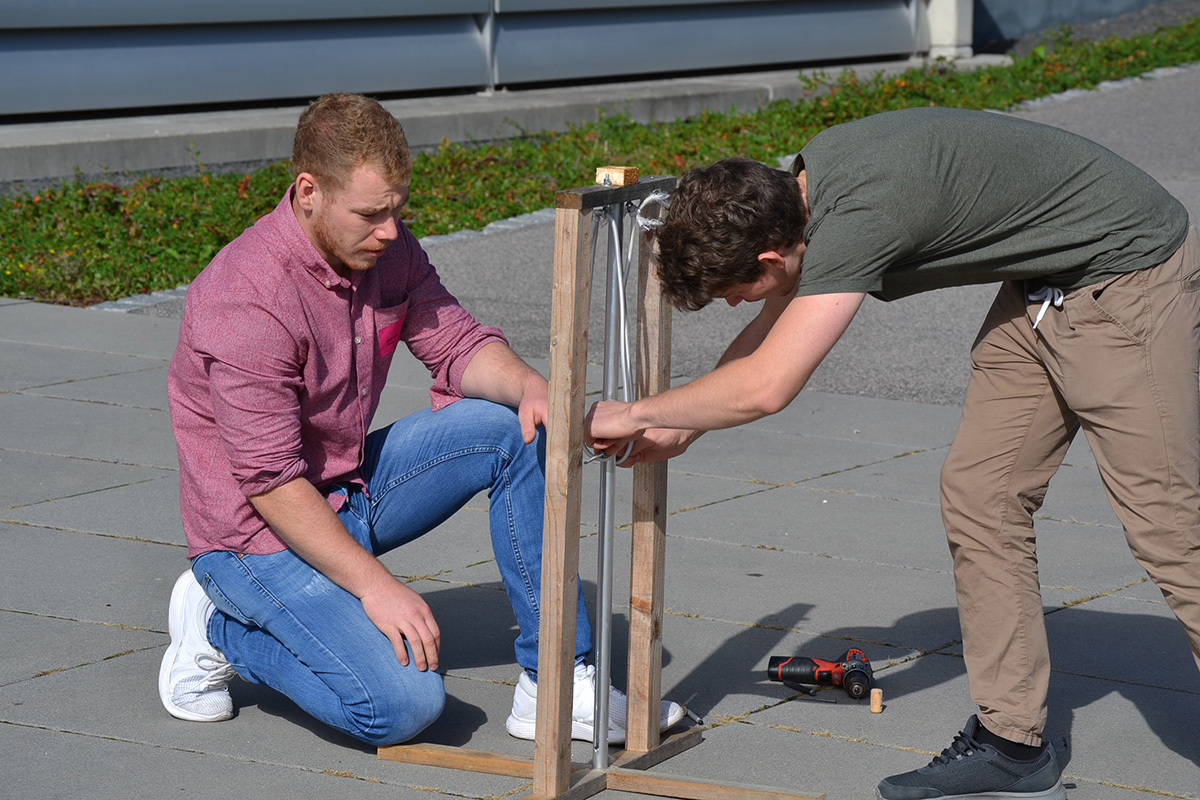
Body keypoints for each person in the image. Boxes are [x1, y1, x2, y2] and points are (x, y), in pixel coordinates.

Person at [584, 106, 1200, 799]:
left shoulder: (859, 218)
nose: (732, 307)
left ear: (769, 256)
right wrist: (684, 425)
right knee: (981, 496)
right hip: (1046, 283)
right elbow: (773, 320)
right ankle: (1013, 744)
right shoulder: (804, 191)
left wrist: (638, 411)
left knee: (1170, 530)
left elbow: (769, 385)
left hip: (1128, 275)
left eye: (732, 292)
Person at [159, 93, 683, 747]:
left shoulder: (384, 249)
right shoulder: (247, 299)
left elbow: (457, 343)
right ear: (308, 191)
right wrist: (378, 588)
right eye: (372, 214)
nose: (389, 231)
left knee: (516, 427)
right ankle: (219, 627)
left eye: (398, 211)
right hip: (255, 536)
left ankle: (555, 680)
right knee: (402, 706)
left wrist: (532, 388)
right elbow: (269, 483)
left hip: (345, 490)